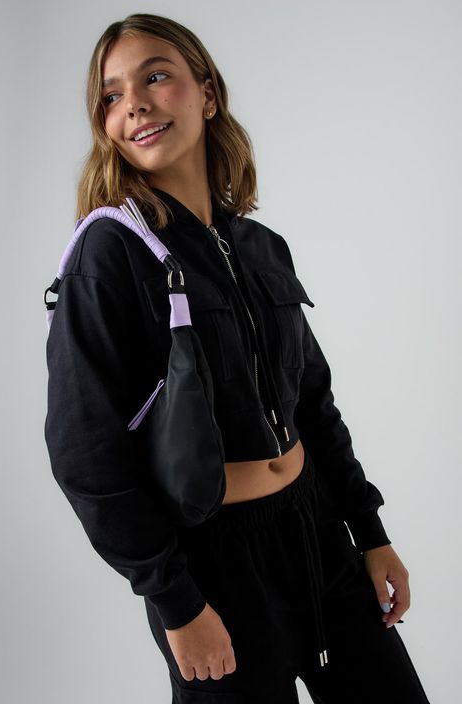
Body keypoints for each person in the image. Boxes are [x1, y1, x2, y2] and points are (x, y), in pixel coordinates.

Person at [44, 12, 431, 703]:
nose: (134, 104)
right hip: (215, 568)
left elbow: (314, 404)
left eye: (155, 76)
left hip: (318, 534)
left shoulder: (260, 246)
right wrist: (175, 601)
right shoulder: (109, 255)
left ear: (207, 93)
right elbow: (85, 454)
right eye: (111, 95)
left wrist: (369, 532)